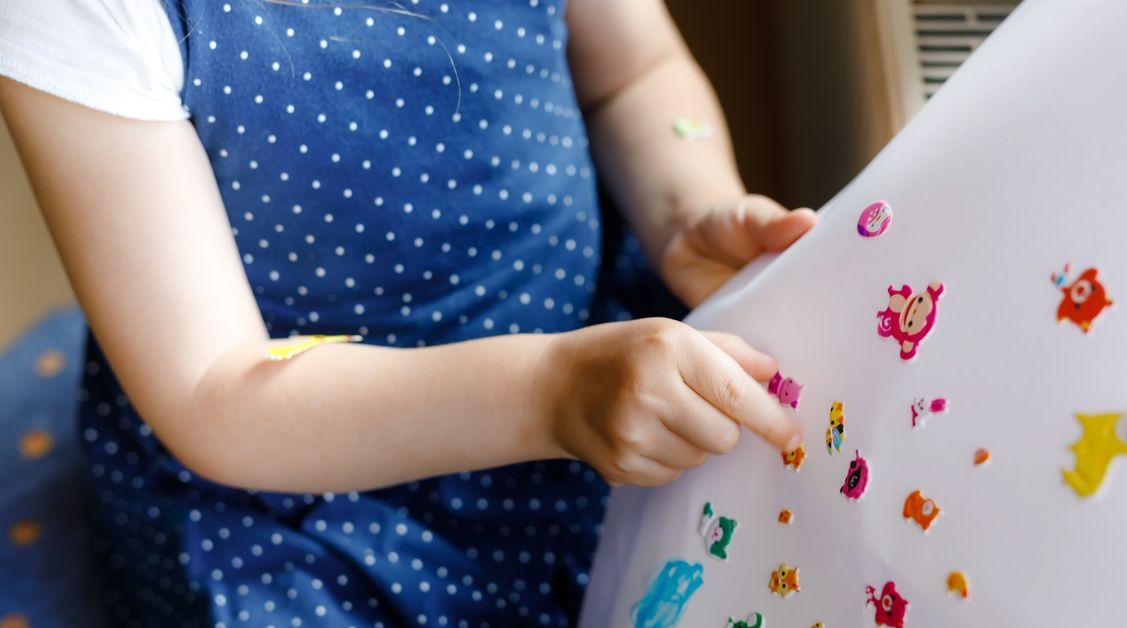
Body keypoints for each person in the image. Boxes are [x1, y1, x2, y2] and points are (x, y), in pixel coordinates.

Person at [0, 0, 816, 625]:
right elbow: (215, 389)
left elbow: (632, 76)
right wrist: (551, 394)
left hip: (598, 336)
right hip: (293, 473)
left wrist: (686, 211)